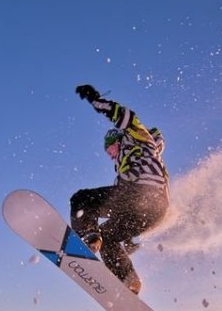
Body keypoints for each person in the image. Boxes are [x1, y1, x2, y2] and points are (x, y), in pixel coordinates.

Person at [70, 84, 170, 294]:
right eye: (108, 151)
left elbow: (125, 116)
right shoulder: (144, 169)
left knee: (81, 199)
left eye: (112, 147)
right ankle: (130, 281)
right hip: (155, 210)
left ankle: (89, 238)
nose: (111, 154)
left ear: (121, 139)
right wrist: (130, 240)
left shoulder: (140, 138)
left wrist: (96, 100)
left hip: (142, 194)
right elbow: (126, 211)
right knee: (109, 237)